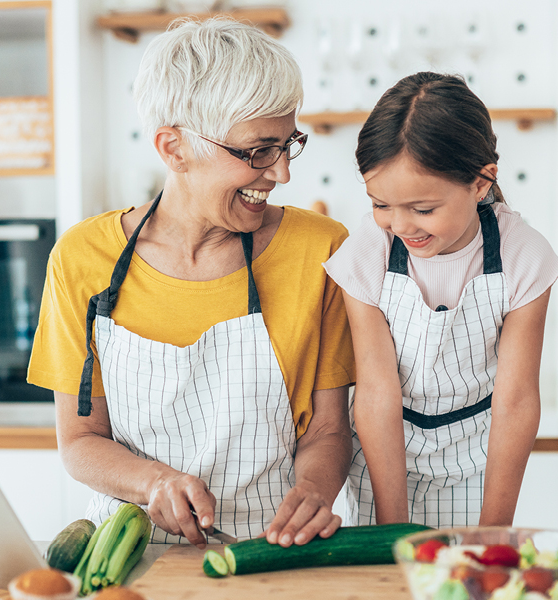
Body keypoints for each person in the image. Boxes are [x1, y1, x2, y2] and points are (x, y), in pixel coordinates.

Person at [28, 18, 355, 547]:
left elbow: (328, 429)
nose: (281, 174)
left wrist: (314, 491)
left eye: (287, 144)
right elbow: (80, 440)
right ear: (174, 148)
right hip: (127, 552)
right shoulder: (83, 258)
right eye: (256, 151)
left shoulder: (320, 250)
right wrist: (153, 481)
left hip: (271, 547)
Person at [324, 72, 558, 529]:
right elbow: (376, 394)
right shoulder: (366, 252)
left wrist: (491, 532)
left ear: (480, 183)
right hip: (384, 454)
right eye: (381, 204)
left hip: (479, 457)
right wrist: (391, 530)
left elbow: (515, 402)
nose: (400, 226)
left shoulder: (522, 255)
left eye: (423, 210)